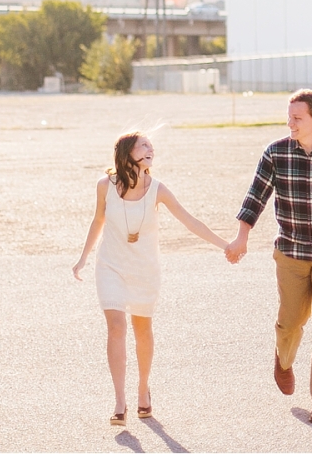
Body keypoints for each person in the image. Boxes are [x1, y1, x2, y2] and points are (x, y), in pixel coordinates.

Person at [74, 131, 234, 429]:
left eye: (151, 145)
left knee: (142, 329)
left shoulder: (158, 189)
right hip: (110, 265)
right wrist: (83, 257)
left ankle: (143, 388)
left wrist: (225, 245)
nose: (151, 149)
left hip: (145, 269)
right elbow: (98, 220)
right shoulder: (104, 186)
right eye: (144, 145)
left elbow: (190, 221)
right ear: (127, 153)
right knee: (116, 327)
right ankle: (119, 402)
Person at [226, 89, 312, 424]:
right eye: (289, 117)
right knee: (290, 322)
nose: (290, 123)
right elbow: (255, 197)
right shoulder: (276, 153)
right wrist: (241, 237)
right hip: (291, 252)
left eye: (297, 118)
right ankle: (284, 359)